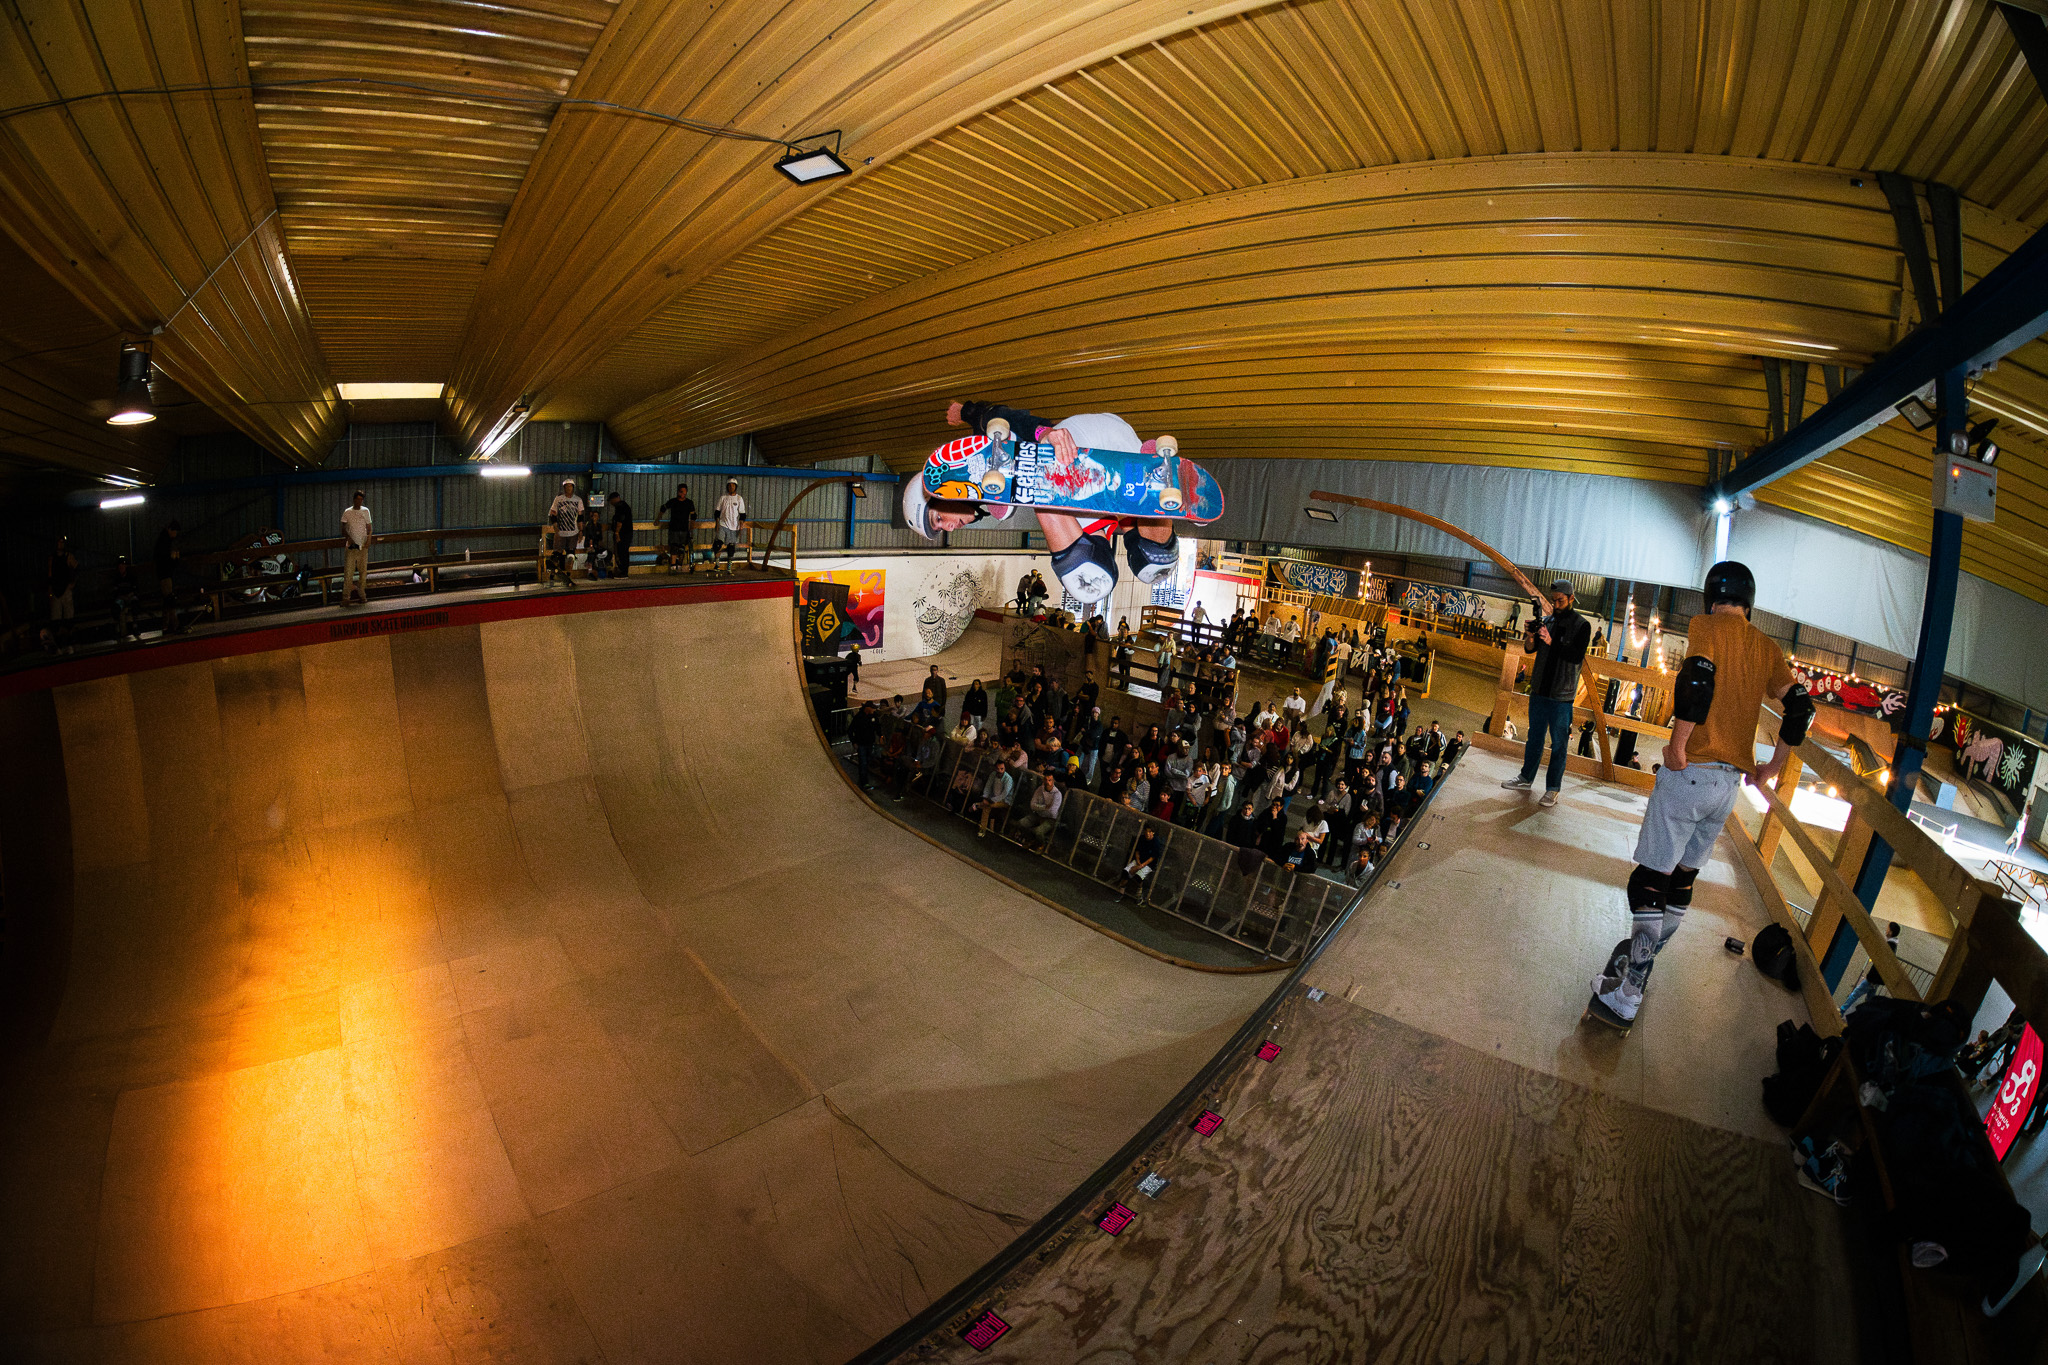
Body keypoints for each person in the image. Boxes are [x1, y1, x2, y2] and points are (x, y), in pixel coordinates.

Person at [1589, 561, 1807, 1028]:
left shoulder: (1707, 625)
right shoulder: (1767, 647)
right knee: (1681, 880)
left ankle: (1630, 989)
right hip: (1728, 787)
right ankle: (1636, 964)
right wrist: (1771, 767)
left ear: (1713, 597)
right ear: (1749, 601)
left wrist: (1678, 747)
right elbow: (1800, 707)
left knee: (1648, 881)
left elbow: (1697, 681)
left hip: (1692, 773)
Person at [905, 401, 1180, 606]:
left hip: (1085, 440)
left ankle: (1043, 465)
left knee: (1039, 491)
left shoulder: (976, 461)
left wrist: (1041, 434)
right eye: (942, 530)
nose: (949, 528)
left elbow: (1002, 417)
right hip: (1095, 485)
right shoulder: (995, 492)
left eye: (938, 520)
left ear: (936, 494)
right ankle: (1153, 477)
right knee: (1148, 565)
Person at [1502, 578, 1590, 807]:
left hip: (1562, 696)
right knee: (1534, 738)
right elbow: (1531, 650)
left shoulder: (1582, 625)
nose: (1556, 604)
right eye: (1553, 600)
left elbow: (1575, 656)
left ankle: (1552, 789)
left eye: (1560, 600)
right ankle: (1525, 778)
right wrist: (1530, 636)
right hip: (1540, 690)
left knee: (1559, 744)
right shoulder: (1548, 621)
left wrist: (1551, 641)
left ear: (1571, 598)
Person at [1842, 921, 1903, 1015]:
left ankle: (1842, 1010)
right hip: (1878, 979)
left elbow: (1881, 962)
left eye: (1888, 928)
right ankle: (1865, 1016)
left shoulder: (1888, 946)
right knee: (1869, 1000)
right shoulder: (1893, 946)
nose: (1886, 930)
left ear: (1890, 932)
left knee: (1855, 993)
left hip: (1873, 977)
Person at [337, 491, 373, 606]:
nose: (359, 501)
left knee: (363, 571)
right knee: (349, 571)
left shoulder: (365, 511)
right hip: (352, 543)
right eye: (357, 499)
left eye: (361, 499)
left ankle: (362, 594)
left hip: (362, 543)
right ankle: (346, 596)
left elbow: (369, 527)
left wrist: (369, 539)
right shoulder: (347, 512)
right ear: (353, 499)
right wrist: (348, 537)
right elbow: (343, 529)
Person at [1015, 771, 1065, 851]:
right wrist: (1045, 807)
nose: (1047, 782)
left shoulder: (1057, 794)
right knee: (1022, 823)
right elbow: (1032, 805)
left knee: (1038, 831)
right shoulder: (1039, 789)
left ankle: (1041, 844)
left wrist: (1040, 808)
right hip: (1038, 815)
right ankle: (1030, 840)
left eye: (1050, 780)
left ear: (1053, 781)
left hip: (1050, 819)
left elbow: (1052, 812)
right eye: (1046, 780)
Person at [547, 479, 584, 586]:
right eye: (567, 486)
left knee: (571, 555)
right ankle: (553, 574)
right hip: (561, 532)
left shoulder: (578, 500)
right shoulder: (558, 499)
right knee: (556, 555)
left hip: (573, 531)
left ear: (573, 487)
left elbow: (581, 516)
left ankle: (568, 575)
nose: (569, 488)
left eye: (570, 486)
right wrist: (555, 526)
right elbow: (552, 513)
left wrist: (581, 531)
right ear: (564, 488)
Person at [45, 536, 78, 652]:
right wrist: (50, 589)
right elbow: (49, 575)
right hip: (56, 591)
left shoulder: (68, 556)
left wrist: (72, 583)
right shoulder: (52, 558)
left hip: (66, 590)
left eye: (62, 543)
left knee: (69, 619)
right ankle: (59, 645)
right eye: (58, 543)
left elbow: (76, 568)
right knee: (56, 621)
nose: (60, 545)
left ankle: (69, 644)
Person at [153, 520, 184, 635]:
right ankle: (174, 625)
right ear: (171, 530)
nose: (175, 535)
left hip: (163, 573)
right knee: (169, 600)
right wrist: (175, 559)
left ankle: (166, 626)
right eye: (175, 532)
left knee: (167, 600)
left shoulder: (163, 540)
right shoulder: (165, 542)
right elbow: (166, 560)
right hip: (165, 574)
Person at [658, 482, 697, 571]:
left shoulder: (689, 503)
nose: (681, 494)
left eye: (683, 492)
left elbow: (693, 515)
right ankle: (673, 565)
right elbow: (663, 507)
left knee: (682, 548)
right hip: (674, 528)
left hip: (684, 529)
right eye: (680, 491)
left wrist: (692, 526)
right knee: (674, 547)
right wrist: (658, 518)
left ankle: (679, 564)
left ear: (686, 492)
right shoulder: (673, 501)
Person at [973, 762, 1016, 837]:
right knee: (987, 805)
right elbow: (988, 786)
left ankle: (982, 828)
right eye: (998, 768)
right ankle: (977, 806)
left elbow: (1004, 794)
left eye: (1001, 769)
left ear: (1005, 769)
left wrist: (991, 800)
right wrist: (985, 797)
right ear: (995, 768)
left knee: (987, 806)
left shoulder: (1008, 779)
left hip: (1005, 801)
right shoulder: (993, 774)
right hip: (993, 797)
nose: (999, 770)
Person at [1118, 823, 1161, 898]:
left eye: (1150, 832)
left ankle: (1139, 889)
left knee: (1138, 876)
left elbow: (1152, 858)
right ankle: (1121, 890)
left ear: (1153, 832)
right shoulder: (1142, 838)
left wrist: (1140, 866)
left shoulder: (1156, 842)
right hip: (1139, 860)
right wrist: (1138, 861)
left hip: (1149, 864)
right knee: (1125, 872)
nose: (1148, 833)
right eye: (1146, 831)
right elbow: (1137, 851)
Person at [714, 479, 748, 571]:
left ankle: (729, 567)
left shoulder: (739, 498)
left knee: (731, 548)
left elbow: (742, 513)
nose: (731, 487)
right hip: (723, 524)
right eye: (729, 485)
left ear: (735, 487)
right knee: (718, 545)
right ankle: (717, 564)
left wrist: (741, 523)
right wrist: (717, 523)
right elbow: (717, 511)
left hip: (734, 526)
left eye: (733, 485)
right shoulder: (723, 498)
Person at [849, 701, 881, 789]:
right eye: (872, 708)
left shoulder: (873, 716)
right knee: (863, 762)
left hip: (870, 743)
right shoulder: (859, 717)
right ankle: (864, 782)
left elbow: (877, 727)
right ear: (868, 708)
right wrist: (854, 742)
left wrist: (881, 735)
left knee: (867, 762)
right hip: (861, 744)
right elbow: (850, 730)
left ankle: (863, 779)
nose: (874, 710)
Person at [608, 488, 634, 577]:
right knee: (621, 552)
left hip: (623, 534)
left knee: (622, 552)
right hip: (625, 533)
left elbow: (620, 521)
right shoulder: (622, 506)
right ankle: (622, 570)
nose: (611, 503)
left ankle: (623, 571)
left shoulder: (621, 507)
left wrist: (617, 533)